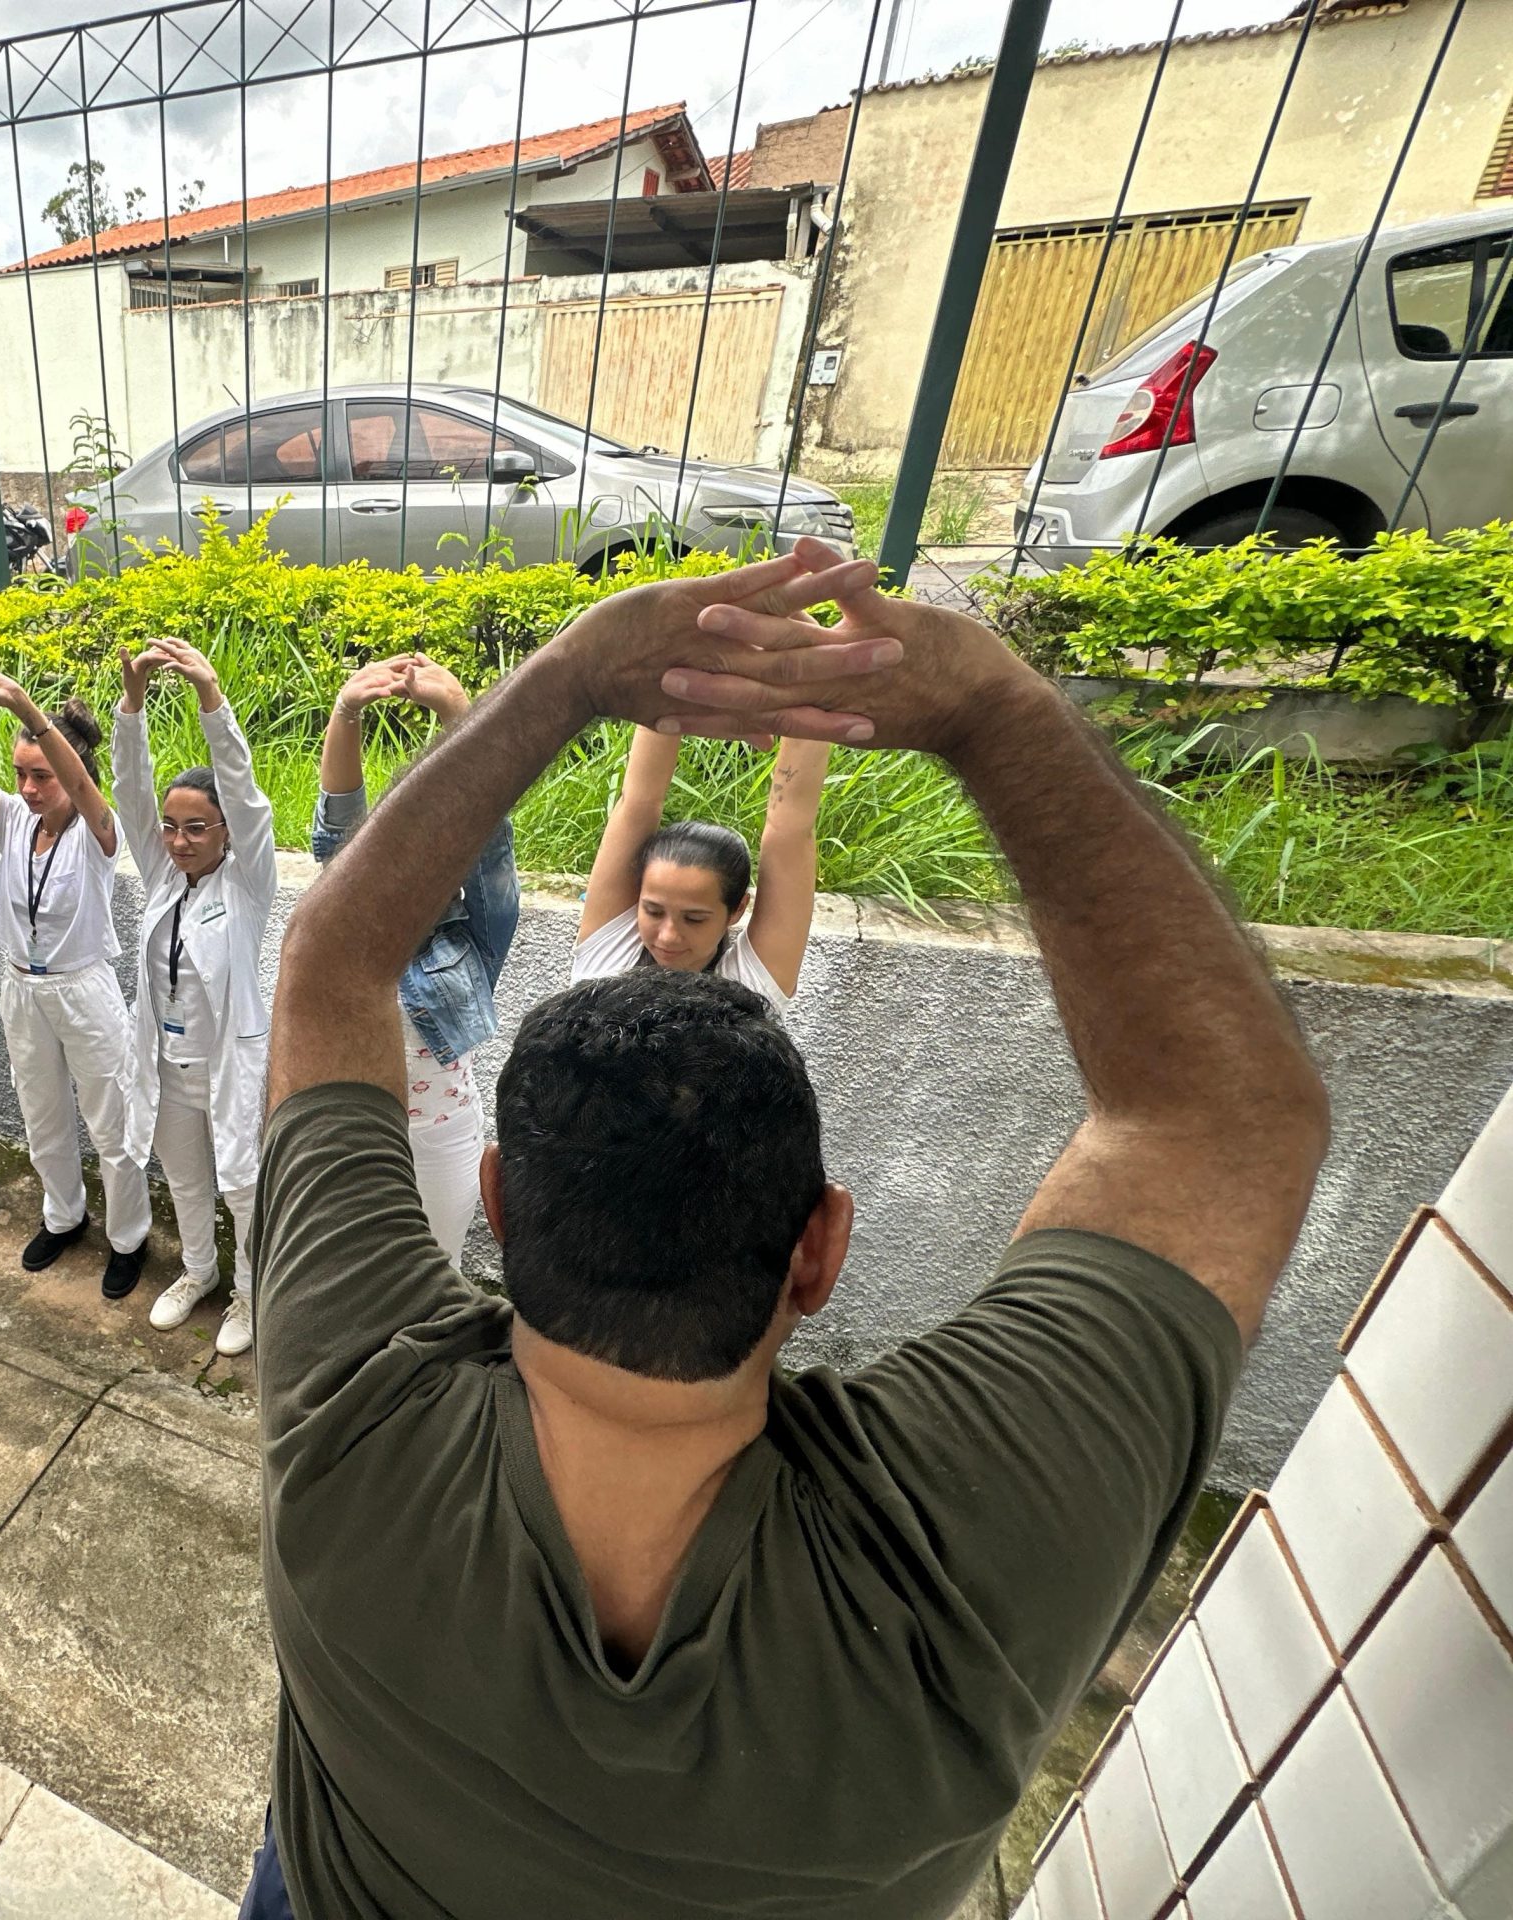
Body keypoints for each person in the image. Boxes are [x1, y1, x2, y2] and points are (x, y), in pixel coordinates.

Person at [243, 541, 1329, 1919]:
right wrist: (994, 711)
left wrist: (572, 673)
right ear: (820, 1251)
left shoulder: (343, 1420)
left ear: (503, 1209)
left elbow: (330, 966)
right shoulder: (968, 1571)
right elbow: (1222, 1127)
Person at [0, 653, 152, 1299]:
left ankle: (129, 1237)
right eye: (22, 775)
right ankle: (64, 1216)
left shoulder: (98, 834)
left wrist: (22, 704)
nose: (27, 789)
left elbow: (84, 793)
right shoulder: (14, 823)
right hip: (20, 986)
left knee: (112, 1120)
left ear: (71, 776)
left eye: (42, 777)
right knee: (41, 1111)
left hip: (83, 989)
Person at [310, 652, 517, 1263]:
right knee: (357, 1277)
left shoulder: (472, 940)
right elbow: (337, 825)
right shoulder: (342, 922)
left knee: (435, 1270)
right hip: (354, 1137)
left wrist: (458, 712)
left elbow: (490, 835)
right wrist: (346, 712)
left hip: (439, 1138)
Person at [113, 635, 274, 1357]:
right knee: (184, 1176)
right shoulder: (161, 879)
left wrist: (212, 698)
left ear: (226, 835)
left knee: (242, 1184)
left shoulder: (246, 886)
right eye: (172, 828)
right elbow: (129, 792)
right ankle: (199, 1273)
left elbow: (243, 789)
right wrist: (132, 707)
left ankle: (246, 1291)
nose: (178, 841)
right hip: (169, 1067)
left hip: (226, 1066)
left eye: (196, 828)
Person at [571, 725, 830, 1007]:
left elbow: (790, 830)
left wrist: (811, 697)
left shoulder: (750, 985)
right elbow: (639, 801)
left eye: (694, 918)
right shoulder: (611, 953)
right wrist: (671, 685)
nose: (668, 936)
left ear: (737, 909)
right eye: (653, 911)